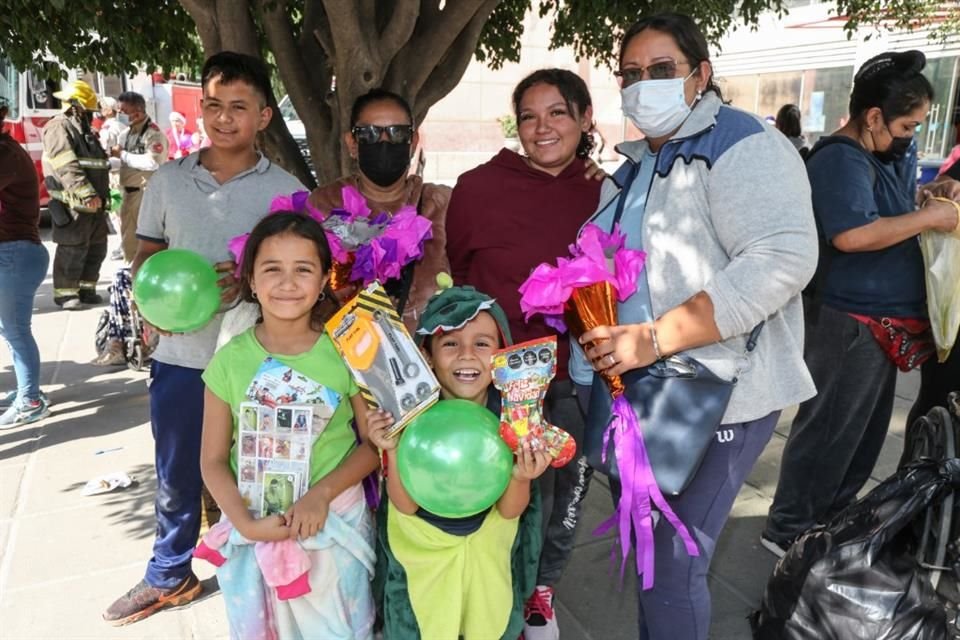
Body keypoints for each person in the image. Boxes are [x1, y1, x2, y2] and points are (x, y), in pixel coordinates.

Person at [569, 13, 818, 639]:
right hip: (654, 391)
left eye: (661, 70)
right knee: (654, 552)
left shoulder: (741, 143)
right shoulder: (636, 167)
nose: (642, 83)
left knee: (675, 563)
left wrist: (653, 336)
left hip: (721, 392)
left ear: (701, 75)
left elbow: (783, 256)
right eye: (630, 73)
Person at [102, 51, 304, 626]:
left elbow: (305, 267)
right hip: (183, 356)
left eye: (238, 107)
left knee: (262, 469)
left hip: (259, 361)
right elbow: (146, 255)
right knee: (177, 472)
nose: (223, 118)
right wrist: (152, 299)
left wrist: (251, 281)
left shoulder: (285, 190)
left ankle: (269, 571)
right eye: (213, 105)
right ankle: (170, 573)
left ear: (264, 116)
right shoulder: (168, 182)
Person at [763, 51, 960, 559]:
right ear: (873, 117)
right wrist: (930, 221)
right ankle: (788, 531)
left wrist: (924, 198)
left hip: (879, 325)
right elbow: (852, 234)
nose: (911, 134)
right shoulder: (840, 158)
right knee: (828, 430)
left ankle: (828, 523)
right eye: (906, 124)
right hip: (846, 323)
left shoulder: (879, 156)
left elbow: (883, 212)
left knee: (859, 437)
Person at [445, 68, 602, 639]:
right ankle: (486, 595)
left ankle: (540, 595)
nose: (542, 128)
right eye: (529, 116)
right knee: (493, 490)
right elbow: (463, 273)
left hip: (571, 378)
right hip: (492, 380)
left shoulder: (606, 190)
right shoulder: (476, 187)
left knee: (561, 494)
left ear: (585, 120)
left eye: (557, 112)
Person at [199, 212, 378, 638]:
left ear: (322, 282)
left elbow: (374, 445)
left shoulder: (349, 351)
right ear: (251, 281)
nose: (287, 282)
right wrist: (244, 523)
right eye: (272, 269)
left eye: (303, 269)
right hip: (257, 525)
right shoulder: (229, 360)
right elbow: (211, 459)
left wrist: (321, 494)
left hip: (333, 524)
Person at [368, 284, 549, 639]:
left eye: (482, 344)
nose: (467, 355)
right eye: (450, 343)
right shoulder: (407, 421)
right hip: (425, 574)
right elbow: (403, 507)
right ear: (428, 357)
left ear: (501, 357)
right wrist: (392, 449)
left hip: (487, 571)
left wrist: (521, 476)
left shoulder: (514, 423)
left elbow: (511, 513)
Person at [308, 89, 449, 333]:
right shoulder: (323, 204)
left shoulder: (440, 204)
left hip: (429, 360)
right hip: (344, 358)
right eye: (369, 134)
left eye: (397, 133)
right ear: (352, 143)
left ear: (412, 142)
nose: (383, 141)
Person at [0, 99, 51, 428]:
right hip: (15, 252)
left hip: (15, 254)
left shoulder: (5, 153)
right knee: (12, 330)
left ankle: (30, 399)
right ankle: (26, 389)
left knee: (15, 331)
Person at [41, 79, 111, 310]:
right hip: (74, 204)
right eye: (88, 110)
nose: (92, 115)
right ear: (76, 105)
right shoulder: (59, 127)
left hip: (94, 205)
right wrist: (87, 193)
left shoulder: (83, 128)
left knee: (96, 248)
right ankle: (66, 294)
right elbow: (66, 164)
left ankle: (86, 289)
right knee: (73, 248)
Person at [108, 92, 168, 264]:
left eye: (123, 111)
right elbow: (125, 162)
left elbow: (152, 162)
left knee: (145, 245)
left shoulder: (153, 134)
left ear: (138, 112)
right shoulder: (126, 134)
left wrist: (123, 155)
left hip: (145, 194)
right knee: (129, 241)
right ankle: (130, 278)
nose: (120, 114)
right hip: (128, 194)